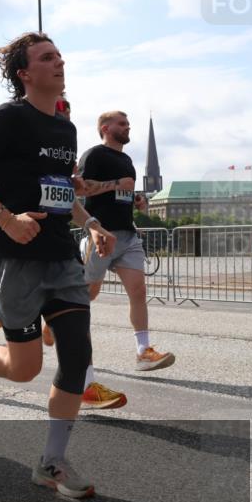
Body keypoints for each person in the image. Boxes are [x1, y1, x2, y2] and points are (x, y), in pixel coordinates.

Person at [0, 32, 117, 499]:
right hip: (16, 259)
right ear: (25, 73)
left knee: (77, 356)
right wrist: (7, 219)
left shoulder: (67, 129)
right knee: (24, 370)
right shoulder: (8, 117)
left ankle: (51, 463)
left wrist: (92, 223)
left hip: (61, 258)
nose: (59, 62)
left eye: (60, 54)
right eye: (47, 57)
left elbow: (60, 192)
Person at [78, 110, 174, 372]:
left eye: (129, 123)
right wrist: (118, 183)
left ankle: (143, 352)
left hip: (127, 235)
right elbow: (80, 188)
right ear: (106, 128)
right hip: (101, 234)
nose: (128, 127)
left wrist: (137, 199)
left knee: (139, 291)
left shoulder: (127, 160)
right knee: (88, 293)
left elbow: (126, 192)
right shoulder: (94, 155)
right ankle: (57, 324)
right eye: (122, 124)